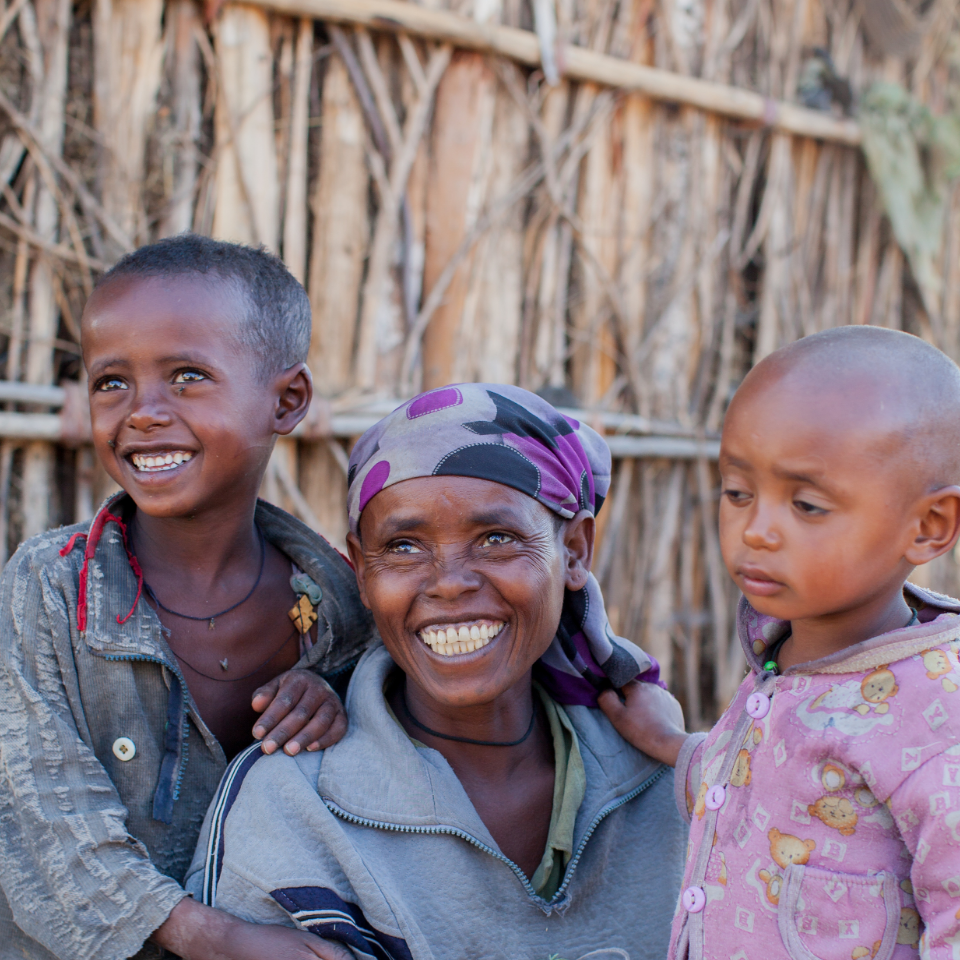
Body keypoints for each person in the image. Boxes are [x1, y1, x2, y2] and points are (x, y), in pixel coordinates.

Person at [185, 383, 687, 960]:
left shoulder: (663, 775)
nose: (450, 582)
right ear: (362, 570)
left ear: (574, 550)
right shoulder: (292, 807)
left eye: (496, 539)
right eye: (402, 546)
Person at [0, 235, 375, 960]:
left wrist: (340, 703)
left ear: (287, 400)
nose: (141, 411)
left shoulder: (337, 603)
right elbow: (45, 815)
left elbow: (395, 767)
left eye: (187, 375)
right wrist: (219, 940)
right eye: (111, 382)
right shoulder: (49, 590)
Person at [599, 325, 960, 960]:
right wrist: (672, 745)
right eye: (738, 493)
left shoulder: (933, 717)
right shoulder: (786, 654)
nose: (756, 530)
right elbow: (768, 807)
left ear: (928, 527)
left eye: (808, 506)